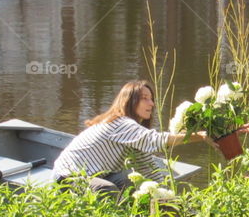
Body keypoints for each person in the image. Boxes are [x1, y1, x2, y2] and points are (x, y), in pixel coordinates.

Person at [53, 80, 208, 196]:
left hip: (96, 174)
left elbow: (148, 168)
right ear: (130, 101)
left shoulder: (133, 133)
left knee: (132, 181)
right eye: (145, 98)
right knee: (106, 189)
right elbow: (157, 141)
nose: (152, 103)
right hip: (68, 177)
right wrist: (200, 136)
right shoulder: (120, 123)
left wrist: (167, 196)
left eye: (151, 98)